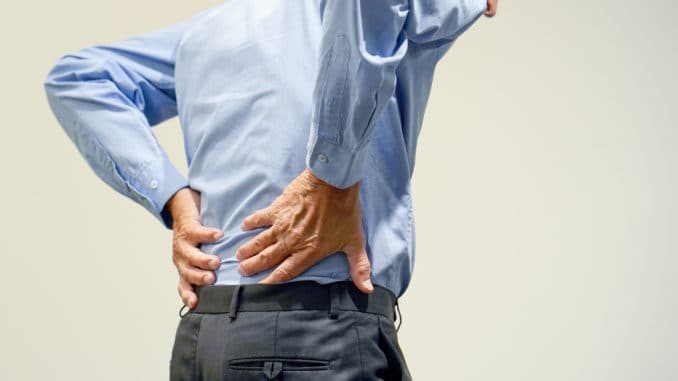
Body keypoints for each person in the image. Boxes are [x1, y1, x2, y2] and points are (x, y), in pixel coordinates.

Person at [44, 0, 498, 379]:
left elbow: (78, 78)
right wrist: (331, 177)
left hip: (206, 336)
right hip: (318, 335)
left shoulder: (205, 34)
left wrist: (174, 198)